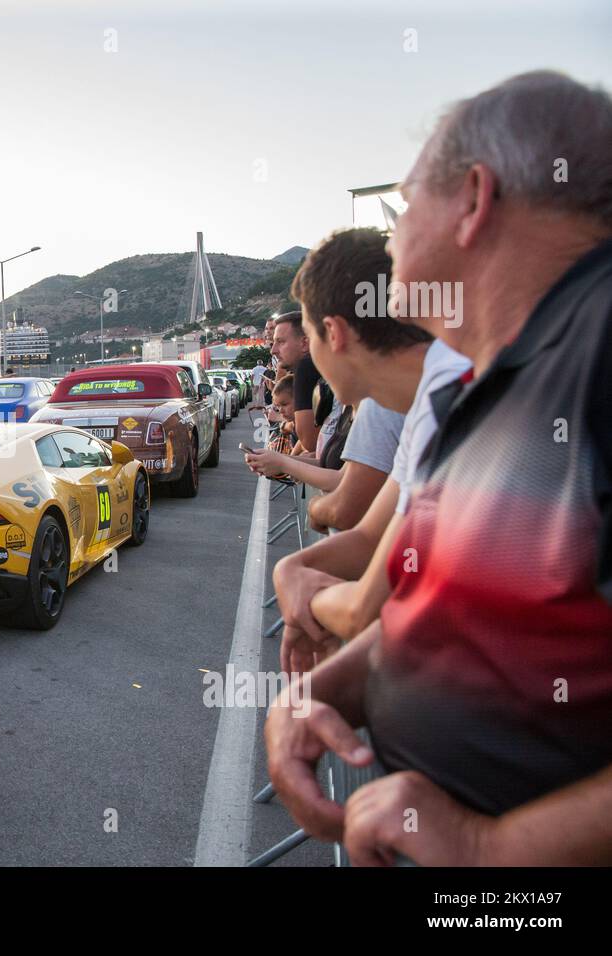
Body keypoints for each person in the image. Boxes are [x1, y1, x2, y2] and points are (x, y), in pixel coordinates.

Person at [266, 71, 612, 866]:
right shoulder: (484, 387)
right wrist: (319, 694)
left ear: (473, 199)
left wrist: (491, 848)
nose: (388, 242)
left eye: (403, 207)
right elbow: (441, 621)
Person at [269, 312, 323, 452]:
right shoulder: (317, 366)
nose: (273, 350)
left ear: (305, 343)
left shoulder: (305, 367)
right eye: (274, 342)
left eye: (281, 342)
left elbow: (309, 443)